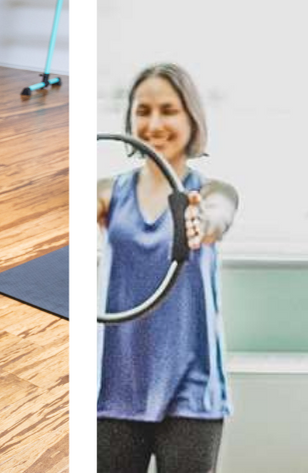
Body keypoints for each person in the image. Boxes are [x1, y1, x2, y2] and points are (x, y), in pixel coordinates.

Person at [98, 63, 239, 473]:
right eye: (143, 111)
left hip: (193, 389)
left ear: (191, 118)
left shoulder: (213, 192)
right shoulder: (108, 192)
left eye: (168, 110)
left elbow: (218, 217)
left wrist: (200, 223)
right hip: (118, 385)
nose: (155, 122)